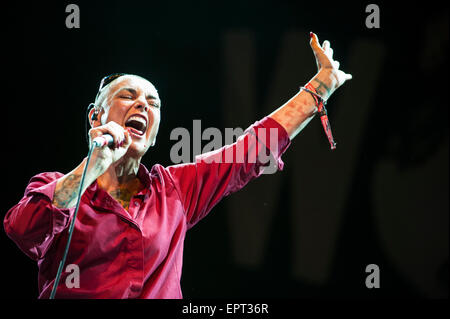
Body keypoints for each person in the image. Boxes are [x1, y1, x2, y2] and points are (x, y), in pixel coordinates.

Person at [4, 33, 352, 298]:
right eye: (128, 96)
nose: (142, 105)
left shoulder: (174, 190)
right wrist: (92, 167)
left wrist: (320, 87)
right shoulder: (55, 187)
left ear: (154, 135)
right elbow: (23, 229)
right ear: (96, 116)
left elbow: (248, 151)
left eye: (152, 103)